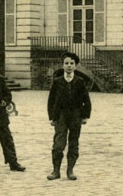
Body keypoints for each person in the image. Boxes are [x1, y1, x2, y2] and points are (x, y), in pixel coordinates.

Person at [46, 52, 92, 181]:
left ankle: (70, 170)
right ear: (62, 65)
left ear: (76, 66)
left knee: (73, 143)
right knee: (58, 144)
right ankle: (55, 171)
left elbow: (86, 100)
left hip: (75, 116)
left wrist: (85, 116)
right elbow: (51, 100)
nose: (69, 66)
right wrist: (52, 117)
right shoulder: (57, 82)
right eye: (66, 63)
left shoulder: (80, 82)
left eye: (72, 63)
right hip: (61, 116)